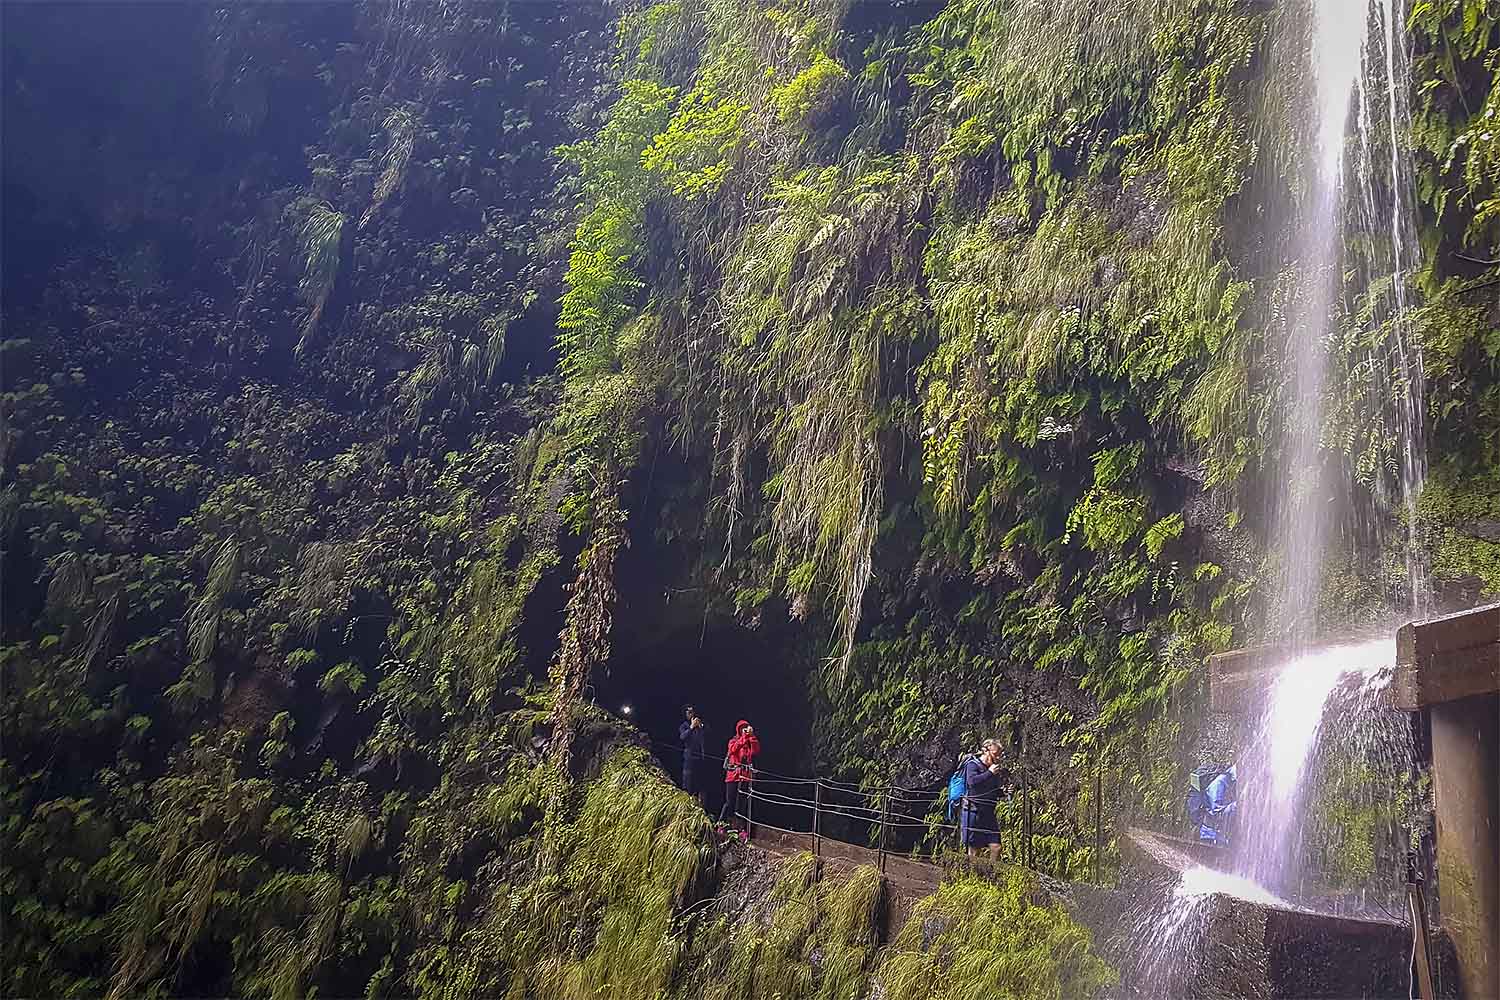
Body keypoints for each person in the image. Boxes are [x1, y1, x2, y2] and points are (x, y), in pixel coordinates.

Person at [960, 738, 1005, 862]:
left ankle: (990, 874)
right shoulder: (972, 765)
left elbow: (991, 790)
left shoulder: (994, 769)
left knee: (996, 847)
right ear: (985, 751)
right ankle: (971, 876)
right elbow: (972, 782)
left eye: (1000, 755)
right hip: (973, 811)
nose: (998, 758)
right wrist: (989, 773)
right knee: (975, 849)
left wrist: (1004, 792)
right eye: (996, 754)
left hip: (989, 812)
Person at [717, 719, 759, 827]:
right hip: (733, 776)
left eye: (747, 728)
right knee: (729, 802)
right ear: (739, 730)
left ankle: (740, 828)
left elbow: (755, 751)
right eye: (743, 728)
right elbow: (733, 750)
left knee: (742, 804)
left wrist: (752, 736)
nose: (745, 730)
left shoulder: (749, 742)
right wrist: (744, 738)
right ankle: (721, 825)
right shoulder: (733, 741)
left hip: (745, 776)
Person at [678, 704, 707, 807]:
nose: (691, 714)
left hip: (700, 759)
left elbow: (706, 738)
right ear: (685, 714)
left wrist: (701, 727)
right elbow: (683, 737)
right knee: (687, 782)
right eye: (689, 712)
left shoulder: (699, 726)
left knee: (700, 784)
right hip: (689, 759)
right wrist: (691, 727)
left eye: (692, 712)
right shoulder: (684, 725)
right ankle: (686, 805)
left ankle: (700, 806)